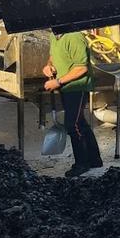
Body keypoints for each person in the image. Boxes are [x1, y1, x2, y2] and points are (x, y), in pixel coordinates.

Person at [43, 30, 102, 177]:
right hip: (65, 87)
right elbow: (52, 56)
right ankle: (95, 159)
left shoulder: (74, 37)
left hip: (78, 87)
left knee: (72, 125)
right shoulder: (54, 35)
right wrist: (49, 66)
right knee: (80, 122)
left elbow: (81, 67)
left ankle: (82, 163)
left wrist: (57, 81)